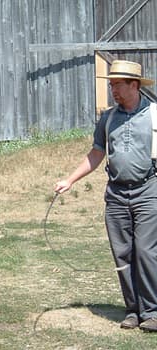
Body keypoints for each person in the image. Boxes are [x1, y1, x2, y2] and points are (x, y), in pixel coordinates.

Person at [54, 59, 157, 332]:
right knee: (122, 254)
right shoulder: (108, 118)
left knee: (146, 252)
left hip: (149, 191)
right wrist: (70, 180)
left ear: (134, 85)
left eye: (118, 85)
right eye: (111, 85)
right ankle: (133, 310)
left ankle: (152, 311)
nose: (113, 90)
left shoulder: (154, 115)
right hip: (116, 194)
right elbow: (96, 154)